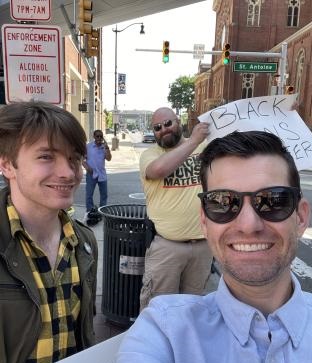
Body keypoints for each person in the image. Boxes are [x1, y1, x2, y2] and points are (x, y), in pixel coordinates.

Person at [117, 130, 311, 363]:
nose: (248, 225)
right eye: (222, 202)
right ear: (204, 221)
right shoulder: (164, 329)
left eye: (274, 200)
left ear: (301, 217)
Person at [0, 101, 98, 363]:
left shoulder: (84, 242)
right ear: (8, 164)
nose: (68, 173)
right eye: (46, 156)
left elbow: (84, 332)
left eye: (74, 159)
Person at [139, 107, 213, 310]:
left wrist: (279, 115)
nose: (163, 129)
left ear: (178, 122)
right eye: (157, 127)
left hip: (203, 246)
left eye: (168, 123)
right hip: (167, 247)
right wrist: (194, 141)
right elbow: (158, 170)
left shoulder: (205, 147)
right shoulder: (150, 154)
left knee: (193, 309)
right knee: (157, 309)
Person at [83, 129, 112, 219]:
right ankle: (89, 211)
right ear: (94, 137)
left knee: (104, 195)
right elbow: (82, 159)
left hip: (102, 174)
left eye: (101, 136)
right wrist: (87, 167)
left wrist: (107, 148)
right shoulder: (88, 147)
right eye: (97, 136)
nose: (99, 138)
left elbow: (109, 158)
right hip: (91, 174)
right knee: (89, 194)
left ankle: (102, 212)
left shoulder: (104, 147)